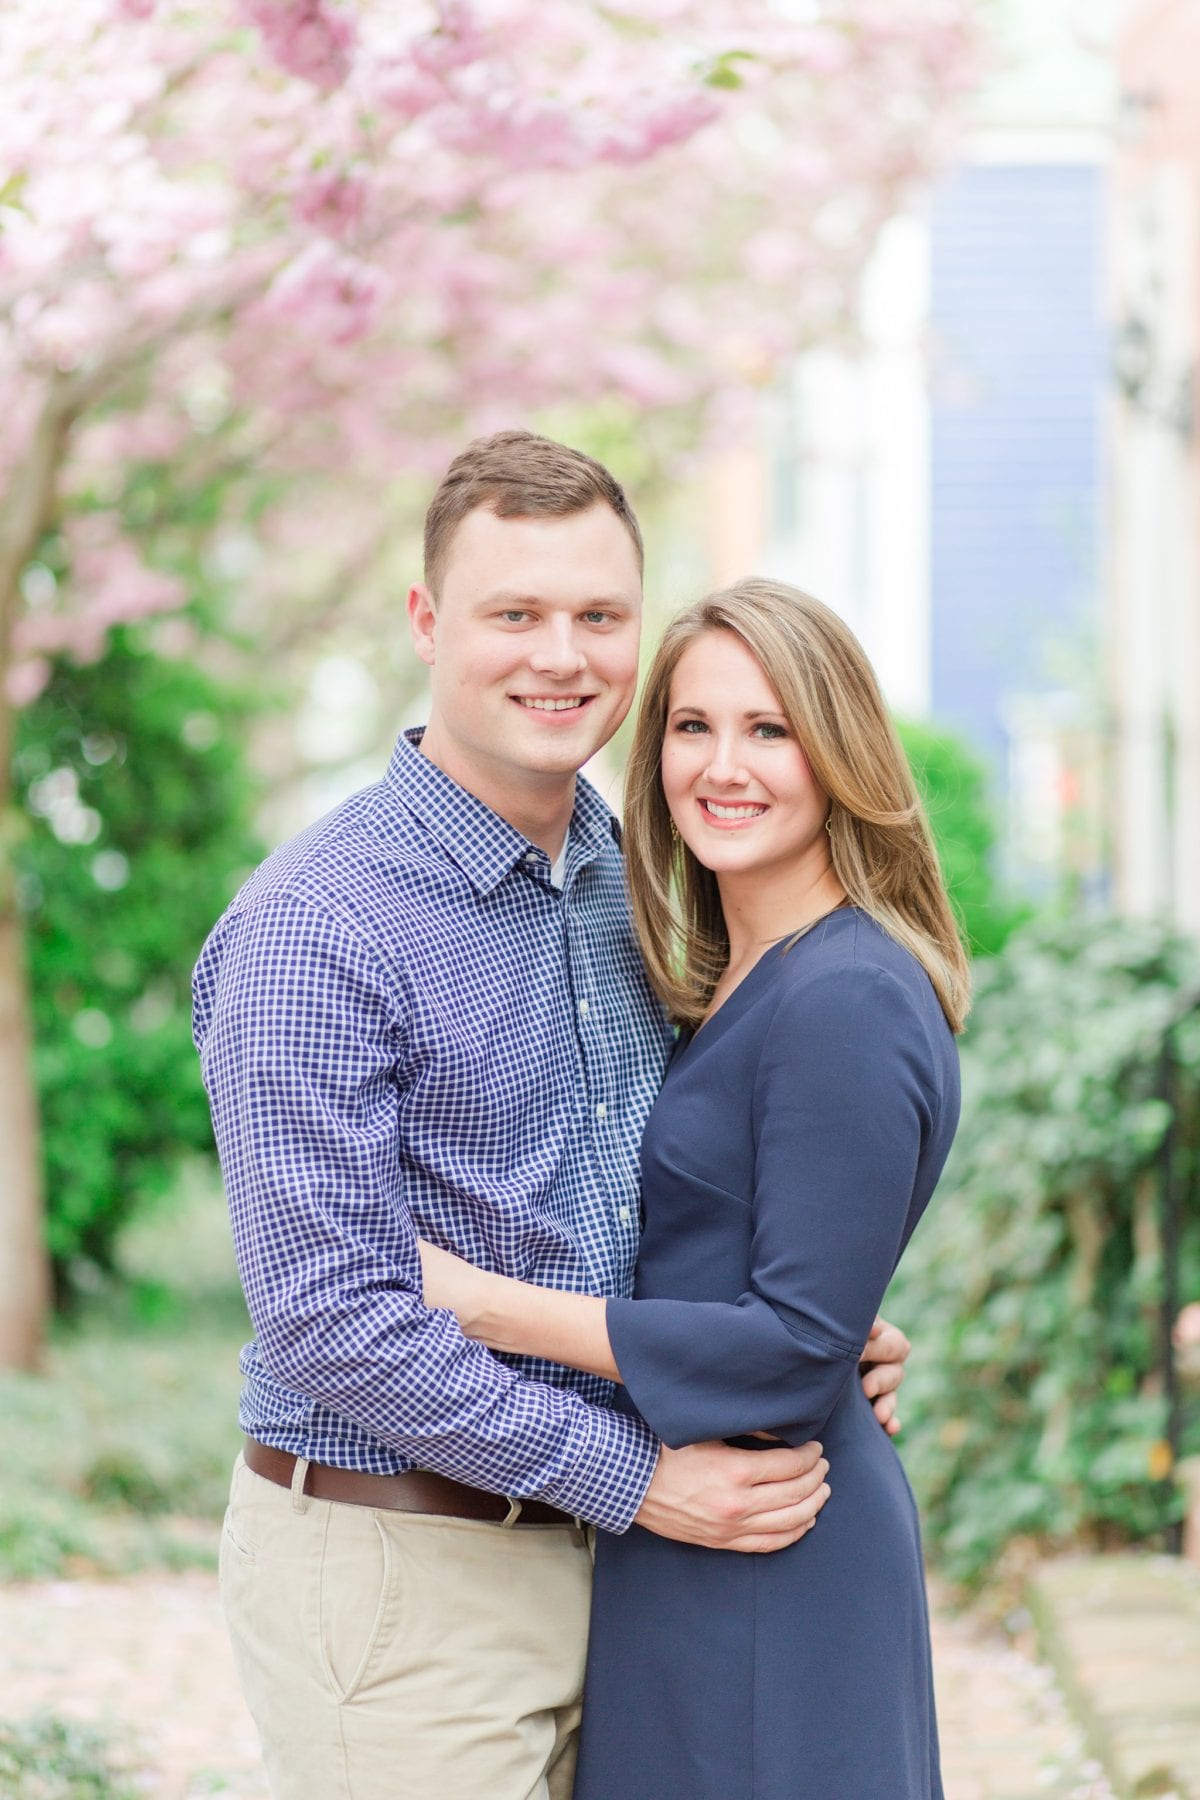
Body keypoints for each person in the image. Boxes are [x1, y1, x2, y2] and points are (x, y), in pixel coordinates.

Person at [192, 434, 912, 1800]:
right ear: (426, 623)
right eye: (514, 613)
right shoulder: (314, 929)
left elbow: (641, 1203)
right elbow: (329, 1318)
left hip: (636, 1567)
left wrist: (791, 1335)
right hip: (409, 1570)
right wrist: (638, 1478)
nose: (562, 656)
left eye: (598, 616)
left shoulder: (634, 881)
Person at [419, 577, 968, 1799]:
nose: (725, 765)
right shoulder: (730, 971)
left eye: (770, 729)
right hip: (691, 1528)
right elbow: (790, 1292)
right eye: (693, 726)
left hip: (774, 1541)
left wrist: (477, 1301)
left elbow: (785, 1347)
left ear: (840, 751)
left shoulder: (848, 997)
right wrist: (836, 1331)